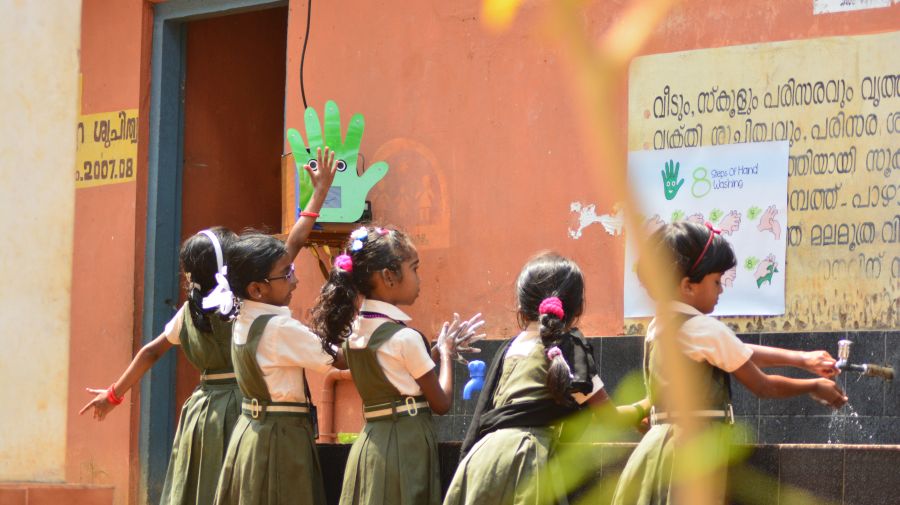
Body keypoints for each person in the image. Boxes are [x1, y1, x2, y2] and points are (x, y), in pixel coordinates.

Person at [611, 221, 847, 505]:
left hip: (655, 447)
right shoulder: (703, 328)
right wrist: (814, 386)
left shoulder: (659, 327)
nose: (721, 290)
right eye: (716, 281)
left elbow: (732, 349)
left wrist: (801, 359)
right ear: (688, 286)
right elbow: (763, 386)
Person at [444, 252, 641, 505]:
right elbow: (609, 417)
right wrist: (644, 408)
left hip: (483, 460)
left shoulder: (509, 348)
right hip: (528, 460)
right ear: (578, 307)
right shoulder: (569, 348)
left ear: (522, 308)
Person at [308, 225, 483, 505]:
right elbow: (441, 403)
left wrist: (434, 353)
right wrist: (447, 354)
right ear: (388, 276)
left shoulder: (356, 332)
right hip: (405, 447)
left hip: (371, 445)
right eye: (414, 268)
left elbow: (396, 374)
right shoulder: (405, 337)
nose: (418, 278)